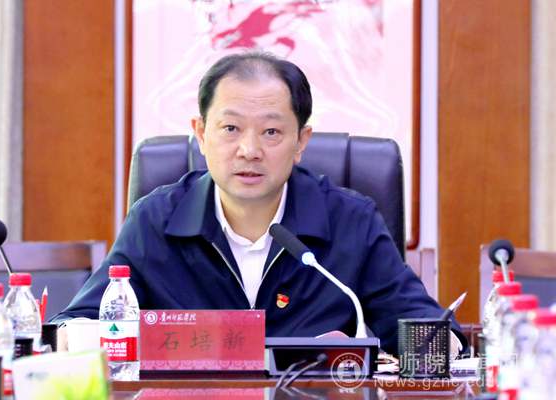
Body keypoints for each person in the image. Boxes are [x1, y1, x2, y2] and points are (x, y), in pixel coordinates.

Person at [53, 52, 466, 355]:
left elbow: (422, 328)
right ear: (201, 134)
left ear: (301, 142)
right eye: (230, 128)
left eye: (271, 132)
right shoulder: (156, 220)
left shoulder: (350, 221)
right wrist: (84, 336)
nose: (249, 150)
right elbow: (77, 325)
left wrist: (441, 344)